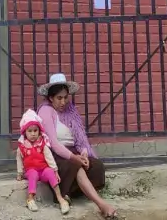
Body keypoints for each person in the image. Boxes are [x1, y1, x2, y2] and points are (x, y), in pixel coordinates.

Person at [38, 73, 118, 219]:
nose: (63, 102)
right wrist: (75, 158)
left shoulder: (70, 110)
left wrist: (83, 153)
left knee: (96, 166)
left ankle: (68, 192)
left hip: (73, 151)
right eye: (59, 98)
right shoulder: (45, 111)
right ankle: (101, 205)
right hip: (55, 155)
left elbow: (79, 136)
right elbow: (54, 144)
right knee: (76, 167)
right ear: (50, 98)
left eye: (65, 97)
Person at [16, 109, 69, 214]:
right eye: (30, 131)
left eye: (35, 130)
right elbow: (19, 160)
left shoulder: (42, 144)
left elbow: (50, 158)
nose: (33, 134)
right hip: (31, 170)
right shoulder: (22, 147)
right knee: (33, 174)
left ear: (39, 131)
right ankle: (30, 199)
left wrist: (55, 171)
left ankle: (60, 199)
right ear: (25, 132)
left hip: (43, 170)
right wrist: (20, 173)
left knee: (49, 172)